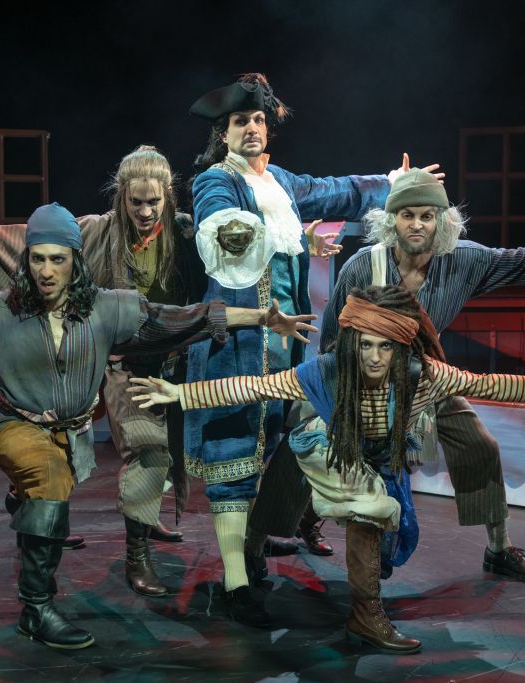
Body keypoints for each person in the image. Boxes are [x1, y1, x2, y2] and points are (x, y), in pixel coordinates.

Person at [0, 202, 316, 650]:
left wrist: (260, 318)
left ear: (75, 261)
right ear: (25, 261)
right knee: (48, 483)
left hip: (69, 430)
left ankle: (24, 502)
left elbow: (178, 318)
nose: (47, 270)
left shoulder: (107, 309)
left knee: (51, 483)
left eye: (57, 259)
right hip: (10, 421)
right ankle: (37, 608)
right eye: (38, 259)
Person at [129, 284, 525, 652]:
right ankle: (348, 605)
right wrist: (179, 393)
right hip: (324, 449)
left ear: (401, 348)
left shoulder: (423, 375)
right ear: (352, 344)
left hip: (377, 461)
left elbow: (488, 383)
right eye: (366, 345)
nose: (375, 357)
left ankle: (354, 587)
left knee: (378, 522)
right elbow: (253, 386)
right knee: (339, 501)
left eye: (385, 347)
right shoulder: (325, 372)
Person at [184, 72, 440, 624]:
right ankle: (235, 583)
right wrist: (256, 233)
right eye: (240, 121)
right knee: (234, 451)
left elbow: (334, 190)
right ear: (223, 133)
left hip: (285, 344)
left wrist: (391, 182)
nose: (252, 128)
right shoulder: (215, 181)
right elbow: (221, 227)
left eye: (258, 119)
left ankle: (255, 549)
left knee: (275, 447)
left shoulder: (278, 179)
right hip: (238, 341)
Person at [320, 169, 525, 583]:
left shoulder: (463, 261)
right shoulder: (362, 267)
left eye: (426, 216)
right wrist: (338, 402)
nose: (417, 225)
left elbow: (524, 260)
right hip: (368, 385)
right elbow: (331, 341)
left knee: (480, 446)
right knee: (318, 453)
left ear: (442, 221)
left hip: (428, 378)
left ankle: (499, 548)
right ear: (391, 220)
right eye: (407, 215)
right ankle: (302, 525)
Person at [0, 146, 207, 597]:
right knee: (70, 444)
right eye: (136, 202)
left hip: (161, 364)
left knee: (156, 451)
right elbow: (29, 242)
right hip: (101, 357)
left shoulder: (185, 233)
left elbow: (233, 240)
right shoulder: (97, 231)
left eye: (154, 202)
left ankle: (138, 535)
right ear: (121, 197)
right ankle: (46, 513)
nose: (146, 212)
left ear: (168, 197)